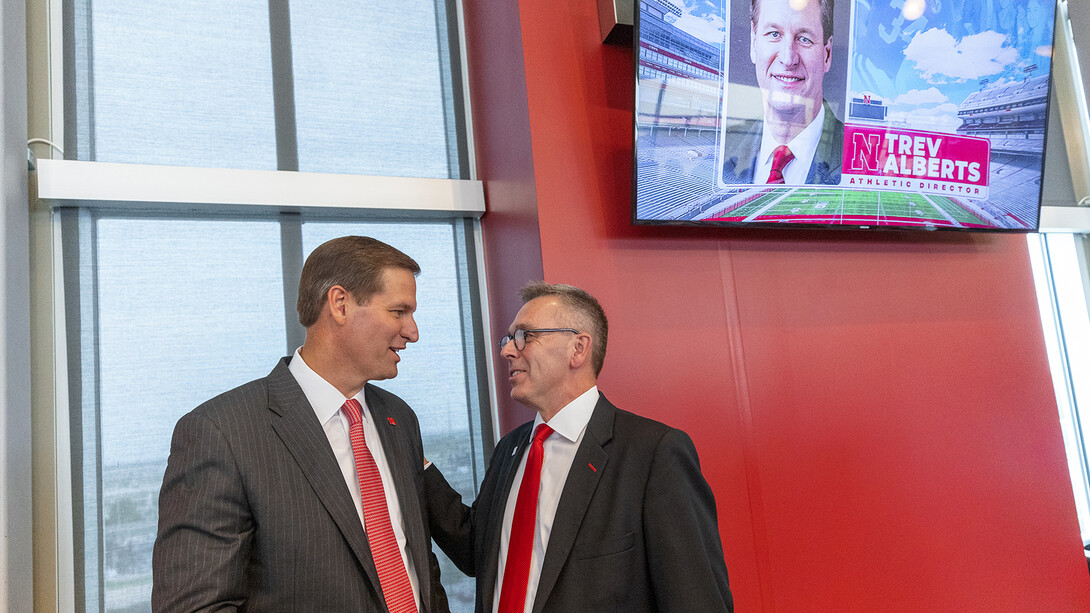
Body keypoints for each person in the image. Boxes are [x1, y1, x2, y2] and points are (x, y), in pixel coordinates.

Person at [152, 236, 449, 612]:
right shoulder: (221, 432)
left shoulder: (399, 418)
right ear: (340, 304)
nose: (413, 332)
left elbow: (415, 561)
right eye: (399, 311)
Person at [425, 282, 733, 612]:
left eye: (524, 337)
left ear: (578, 349)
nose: (507, 351)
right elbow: (479, 551)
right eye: (508, 339)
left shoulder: (653, 453)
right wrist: (415, 461)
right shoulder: (509, 450)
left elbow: (695, 597)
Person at [721, 0, 843, 186]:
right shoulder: (720, 150)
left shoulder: (861, 161)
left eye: (804, 39)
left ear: (827, 54)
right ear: (754, 43)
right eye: (774, 34)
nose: (788, 59)